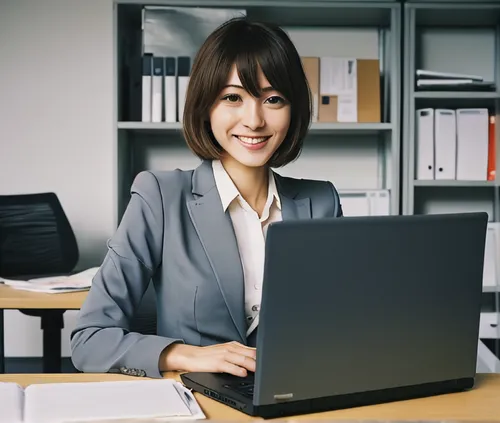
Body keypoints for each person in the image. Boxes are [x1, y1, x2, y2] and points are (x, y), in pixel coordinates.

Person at [70, 17, 343, 379]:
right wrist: (183, 355)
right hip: (196, 401)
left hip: (294, 397)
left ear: (293, 111)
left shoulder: (321, 202)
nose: (254, 119)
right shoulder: (159, 197)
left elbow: (343, 327)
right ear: (206, 106)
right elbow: (89, 340)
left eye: (273, 99)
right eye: (233, 97)